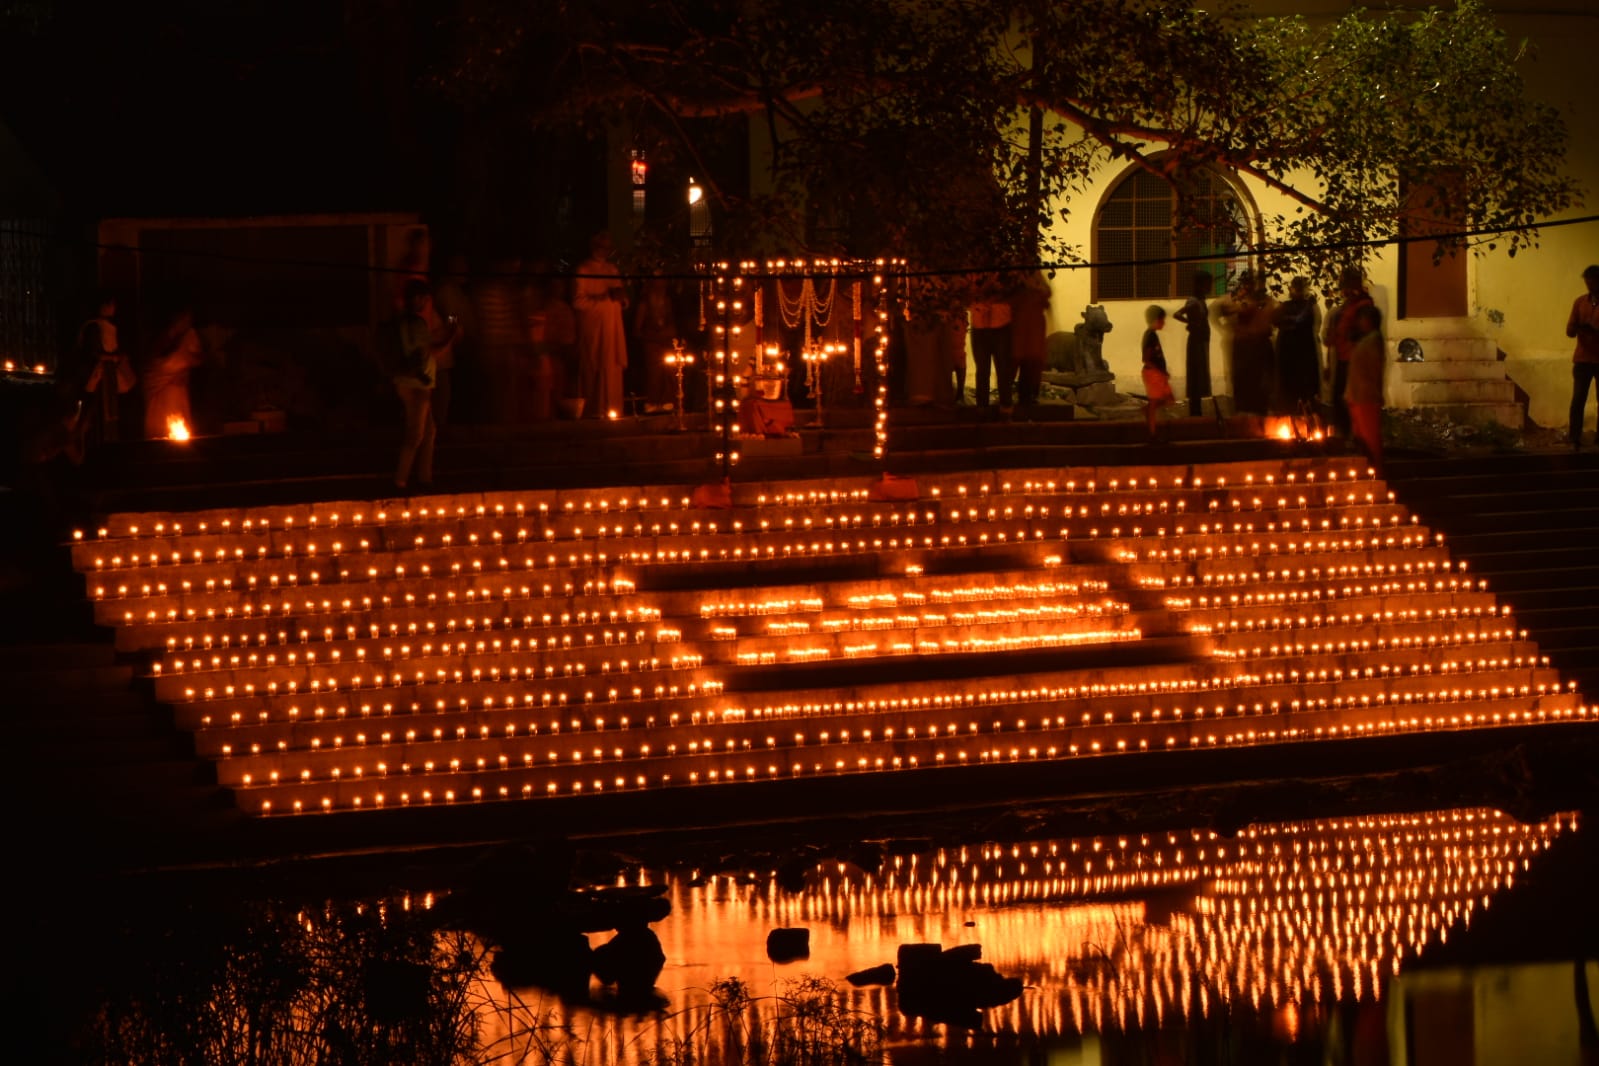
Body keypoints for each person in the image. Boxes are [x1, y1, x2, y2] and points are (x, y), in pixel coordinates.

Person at [390, 279, 456, 492]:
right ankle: (400, 482)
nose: (428, 304)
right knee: (415, 434)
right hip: (417, 384)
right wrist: (450, 336)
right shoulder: (416, 323)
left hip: (410, 381)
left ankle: (424, 478)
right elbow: (428, 352)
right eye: (426, 299)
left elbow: (423, 346)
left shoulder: (406, 322)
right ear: (418, 299)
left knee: (429, 431)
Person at [572, 231, 629, 419]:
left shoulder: (612, 270)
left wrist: (621, 300)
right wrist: (604, 299)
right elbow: (578, 302)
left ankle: (612, 409)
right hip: (594, 330)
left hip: (612, 329)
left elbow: (620, 296)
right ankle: (593, 411)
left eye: (607, 248)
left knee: (612, 368)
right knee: (594, 366)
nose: (604, 251)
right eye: (601, 247)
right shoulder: (584, 269)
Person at [1321, 265, 1374, 440]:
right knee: (1339, 400)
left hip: (1356, 362)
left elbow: (1364, 333)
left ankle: (1355, 437)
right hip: (1342, 360)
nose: (1344, 288)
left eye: (1346, 283)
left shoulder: (1364, 306)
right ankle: (1343, 435)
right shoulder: (1344, 308)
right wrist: (1329, 364)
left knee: (1352, 402)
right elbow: (1333, 336)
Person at [76, 293, 135, 444]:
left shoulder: (108, 327)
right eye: (111, 305)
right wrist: (113, 358)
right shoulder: (94, 327)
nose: (114, 308)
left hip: (109, 376)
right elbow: (93, 353)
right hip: (99, 377)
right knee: (98, 411)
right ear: (103, 306)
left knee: (110, 411)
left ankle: (110, 442)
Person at [1215, 270, 1276, 415]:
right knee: (1246, 381)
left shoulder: (1263, 302)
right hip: (1246, 346)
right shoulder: (1244, 301)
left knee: (1257, 382)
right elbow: (1222, 309)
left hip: (1256, 346)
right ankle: (1249, 411)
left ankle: (1257, 410)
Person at [142, 307, 204, 439]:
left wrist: (184, 361)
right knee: (161, 428)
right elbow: (154, 361)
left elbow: (196, 358)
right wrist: (171, 365)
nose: (187, 322)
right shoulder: (165, 336)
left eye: (189, 319)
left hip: (179, 388)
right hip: (162, 390)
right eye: (184, 319)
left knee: (180, 425)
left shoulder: (190, 336)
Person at [429, 253, 476, 428]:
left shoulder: (457, 290)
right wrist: (455, 332)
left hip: (460, 348)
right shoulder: (447, 291)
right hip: (454, 349)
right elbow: (451, 316)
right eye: (461, 267)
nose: (465, 271)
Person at [526, 261, 576, 420]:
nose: (557, 289)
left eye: (560, 286)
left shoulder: (563, 309)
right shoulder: (536, 306)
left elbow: (567, 341)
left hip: (555, 362)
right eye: (553, 286)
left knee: (553, 402)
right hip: (536, 362)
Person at [1344, 302, 1387, 472]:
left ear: (1369, 320)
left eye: (1361, 319)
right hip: (1357, 395)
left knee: (1370, 439)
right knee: (1361, 438)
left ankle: (1377, 471)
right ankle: (1367, 469)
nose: (1359, 323)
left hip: (1367, 396)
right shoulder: (1366, 340)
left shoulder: (1374, 340)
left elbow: (1375, 370)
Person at [1272, 276, 1322, 415]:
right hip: (1288, 355)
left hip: (1305, 355)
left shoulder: (1311, 307)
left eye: (1301, 288)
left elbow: (1314, 327)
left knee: (1306, 391)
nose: (1298, 291)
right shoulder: (1285, 306)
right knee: (1289, 391)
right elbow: (1277, 320)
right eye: (1296, 287)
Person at [1565, 264, 1599, 450]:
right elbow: (1569, 330)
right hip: (1582, 359)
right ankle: (1574, 437)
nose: (1589, 286)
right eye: (1587, 282)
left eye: (1593, 282)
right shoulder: (1579, 302)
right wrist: (1577, 328)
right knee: (1578, 399)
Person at [633, 277, 679, 413]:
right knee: (654, 375)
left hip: (666, 343)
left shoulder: (667, 301)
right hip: (652, 344)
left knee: (670, 372)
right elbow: (637, 330)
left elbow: (671, 322)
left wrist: (668, 332)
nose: (663, 285)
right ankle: (652, 404)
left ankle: (668, 403)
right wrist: (653, 336)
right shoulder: (645, 303)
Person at [967, 274, 1013, 409]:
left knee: (1003, 369)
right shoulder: (973, 270)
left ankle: (1005, 407)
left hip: (1001, 323)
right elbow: (967, 294)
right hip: (981, 323)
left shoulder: (1005, 269)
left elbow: (1011, 292)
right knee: (982, 370)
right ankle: (983, 408)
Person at [1009, 270, 1051, 415]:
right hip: (1023, 329)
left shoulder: (1032, 284)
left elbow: (1046, 296)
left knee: (1030, 365)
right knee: (1023, 364)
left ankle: (1026, 396)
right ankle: (1021, 396)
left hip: (1030, 330)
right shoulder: (1019, 283)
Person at [1172, 270, 1213, 417]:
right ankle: (1195, 412)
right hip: (1196, 343)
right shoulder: (1194, 301)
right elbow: (1177, 314)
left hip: (1201, 342)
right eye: (1208, 283)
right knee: (1196, 375)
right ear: (1202, 284)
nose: (1211, 286)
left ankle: (1197, 411)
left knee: (1199, 375)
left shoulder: (1200, 300)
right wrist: (1191, 323)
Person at [1141, 305, 1175, 440]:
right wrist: (1157, 371)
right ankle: (1152, 433)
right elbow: (1146, 358)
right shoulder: (1149, 335)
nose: (1164, 323)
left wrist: (1163, 371)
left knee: (1169, 399)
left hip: (1158, 373)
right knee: (1155, 402)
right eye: (1162, 320)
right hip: (1152, 373)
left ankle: (1148, 411)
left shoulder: (1152, 335)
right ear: (1156, 320)